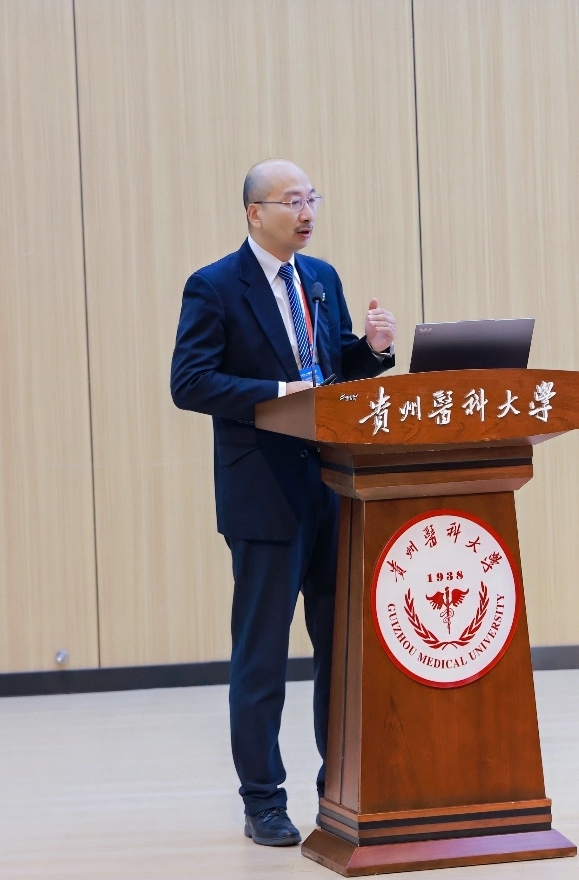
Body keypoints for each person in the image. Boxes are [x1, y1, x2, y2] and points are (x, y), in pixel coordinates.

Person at [170, 159, 397, 846]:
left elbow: (328, 369)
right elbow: (190, 382)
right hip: (263, 494)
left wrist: (372, 352)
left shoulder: (320, 277)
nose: (307, 213)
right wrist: (275, 393)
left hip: (332, 489)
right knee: (262, 657)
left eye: (312, 199)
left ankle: (340, 787)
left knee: (339, 651)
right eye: (292, 201)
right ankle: (263, 800)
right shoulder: (215, 286)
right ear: (254, 212)